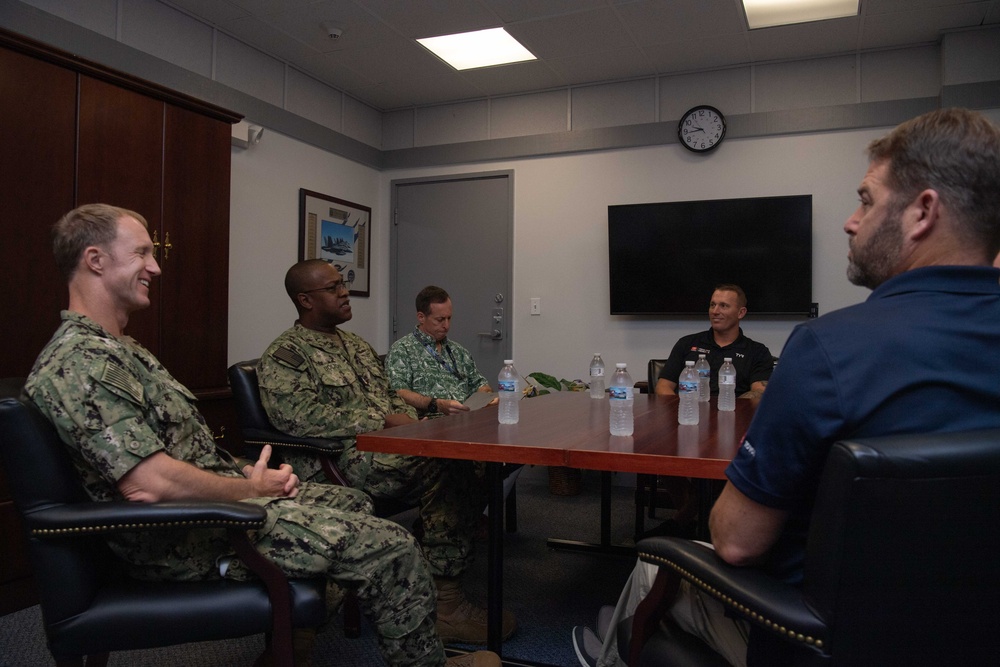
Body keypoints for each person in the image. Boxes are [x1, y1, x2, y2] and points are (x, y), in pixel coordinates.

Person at [573, 107, 1000, 667]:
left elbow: (736, 541)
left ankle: (612, 653)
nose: (851, 220)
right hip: (970, 635)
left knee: (657, 563)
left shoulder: (830, 348)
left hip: (816, 637)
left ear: (922, 212)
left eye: (867, 200)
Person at [23, 204, 499, 667]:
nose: (156, 266)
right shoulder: (81, 361)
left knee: (352, 504)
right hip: (185, 536)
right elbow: (149, 483)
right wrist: (249, 488)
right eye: (142, 253)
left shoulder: (120, 351)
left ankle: (292, 645)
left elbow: (176, 454)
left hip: (205, 513)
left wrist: (246, 473)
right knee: (393, 545)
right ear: (95, 260)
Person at [257, 260, 516, 646]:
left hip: (389, 447)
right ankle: (446, 605)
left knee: (471, 456)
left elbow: (392, 397)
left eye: (343, 283)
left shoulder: (357, 345)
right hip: (341, 460)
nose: (344, 292)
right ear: (305, 300)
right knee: (450, 463)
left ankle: (434, 572)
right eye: (333, 288)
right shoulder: (286, 355)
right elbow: (296, 416)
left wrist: (411, 417)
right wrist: (381, 419)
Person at [385, 285, 493, 418]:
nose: (446, 325)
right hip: (429, 423)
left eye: (449, 318)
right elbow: (398, 392)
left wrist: (486, 397)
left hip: (465, 420)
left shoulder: (458, 351)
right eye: (440, 320)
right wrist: (436, 404)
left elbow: (480, 384)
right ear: (421, 317)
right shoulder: (402, 350)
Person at [654, 284, 773, 400]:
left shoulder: (757, 351)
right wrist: (684, 410)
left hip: (735, 415)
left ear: (741, 313)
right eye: (712, 305)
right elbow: (663, 387)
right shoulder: (687, 343)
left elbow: (759, 392)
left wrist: (733, 406)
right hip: (691, 414)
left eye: (723, 306)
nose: (715, 311)